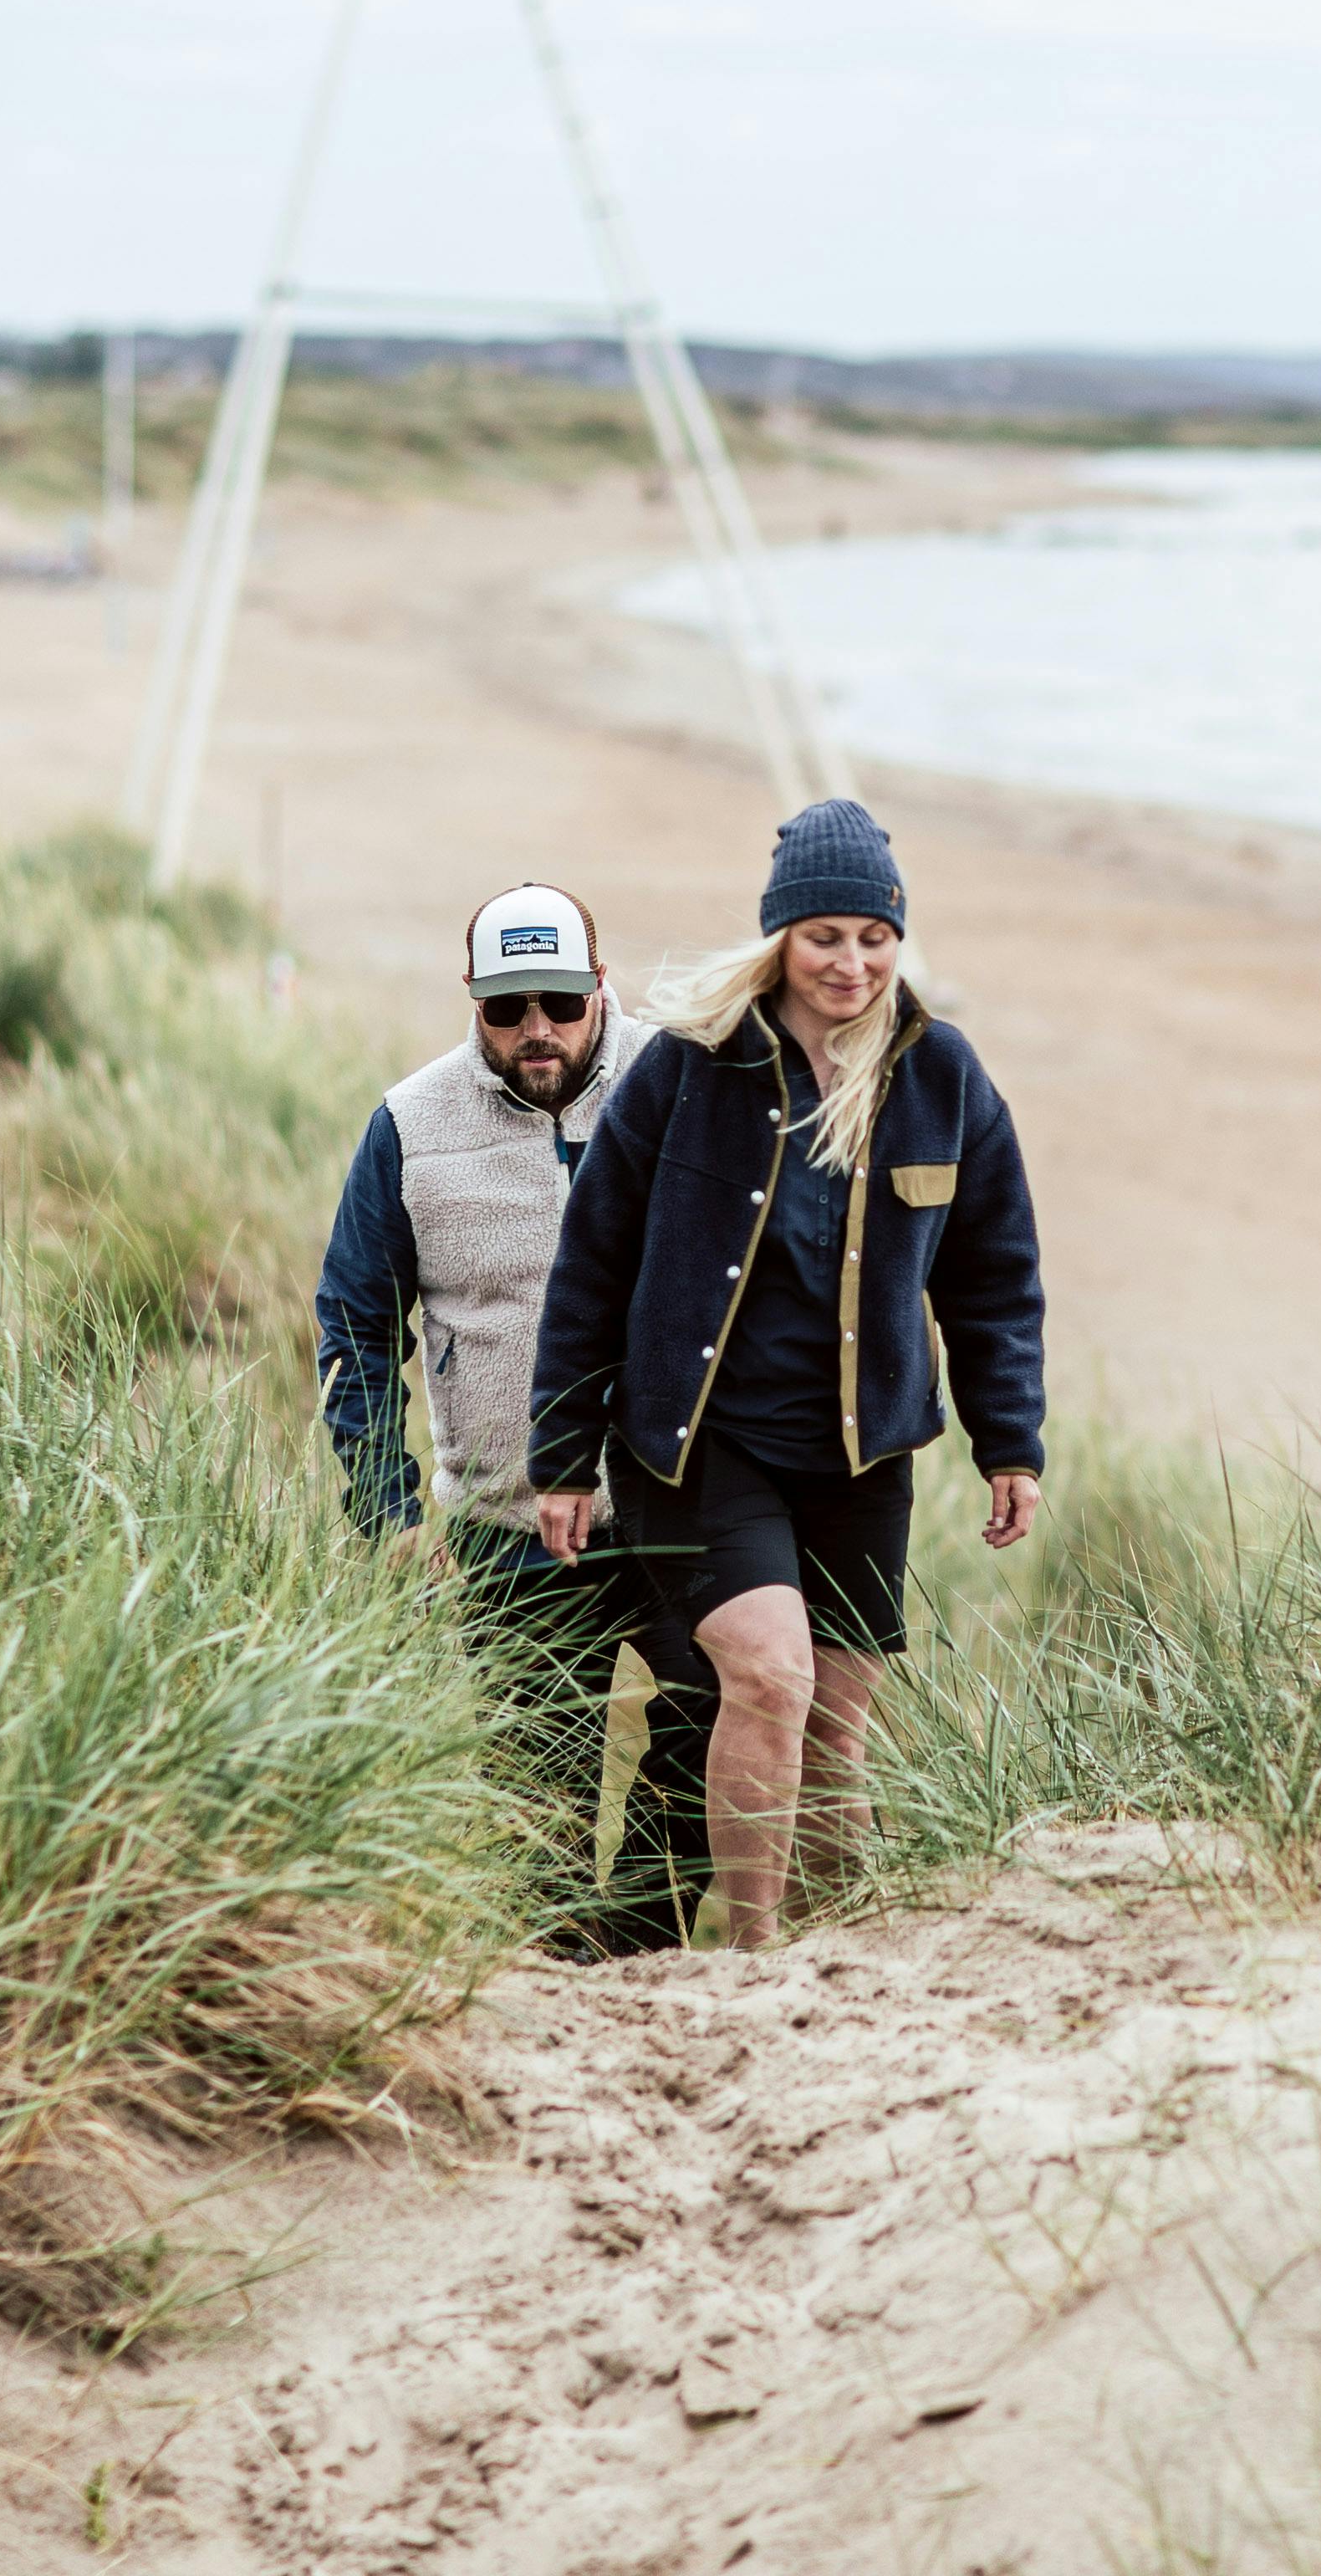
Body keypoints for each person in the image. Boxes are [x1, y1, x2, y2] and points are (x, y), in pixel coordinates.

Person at [528, 800, 1047, 1950]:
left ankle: (837, 1959)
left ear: (899, 940)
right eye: (824, 937)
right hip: (700, 1445)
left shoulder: (941, 1077)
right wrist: (562, 1452)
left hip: (860, 1460)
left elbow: (994, 1273)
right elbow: (593, 1263)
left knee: (838, 1731)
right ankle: (755, 1966)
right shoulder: (687, 1069)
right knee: (769, 1677)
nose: (851, 963)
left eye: (873, 936)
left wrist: (1009, 1439)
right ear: (780, 941)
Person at [315, 882, 712, 1957]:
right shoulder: (409, 1124)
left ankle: (640, 1961)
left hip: (685, 1498)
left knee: (701, 1741)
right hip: (509, 1523)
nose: (535, 1030)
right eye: (506, 1007)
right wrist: (387, 1505)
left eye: (556, 1002)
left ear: (598, 987)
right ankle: (553, 1983)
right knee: (533, 1781)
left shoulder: (684, 1085)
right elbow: (355, 1323)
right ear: (472, 1001)